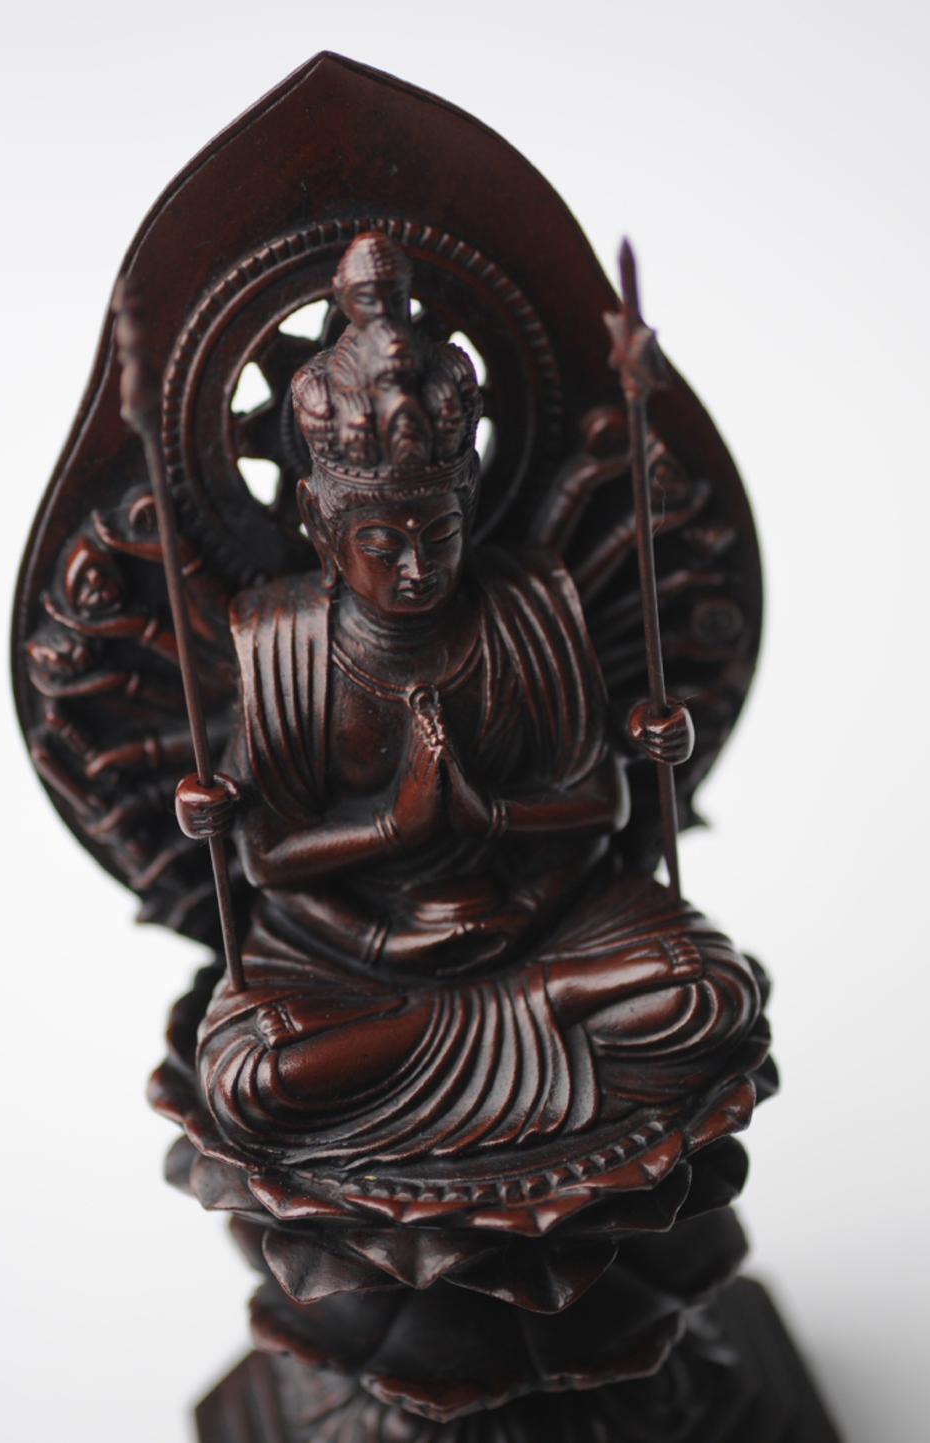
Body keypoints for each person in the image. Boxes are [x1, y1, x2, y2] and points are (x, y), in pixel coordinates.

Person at [173, 233, 764, 1170]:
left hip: (539, 920)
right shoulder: (283, 638)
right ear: (320, 523)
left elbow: (601, 801)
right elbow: (267, 857)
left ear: (472, 506)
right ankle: (545, 1006)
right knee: (252, 1077)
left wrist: (492, 822)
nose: (418, 567)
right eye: (382, 542)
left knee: (708, 994)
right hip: (352, 955)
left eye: (441, 533)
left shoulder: (526, 605)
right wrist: (391, 833)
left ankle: (534, 996)